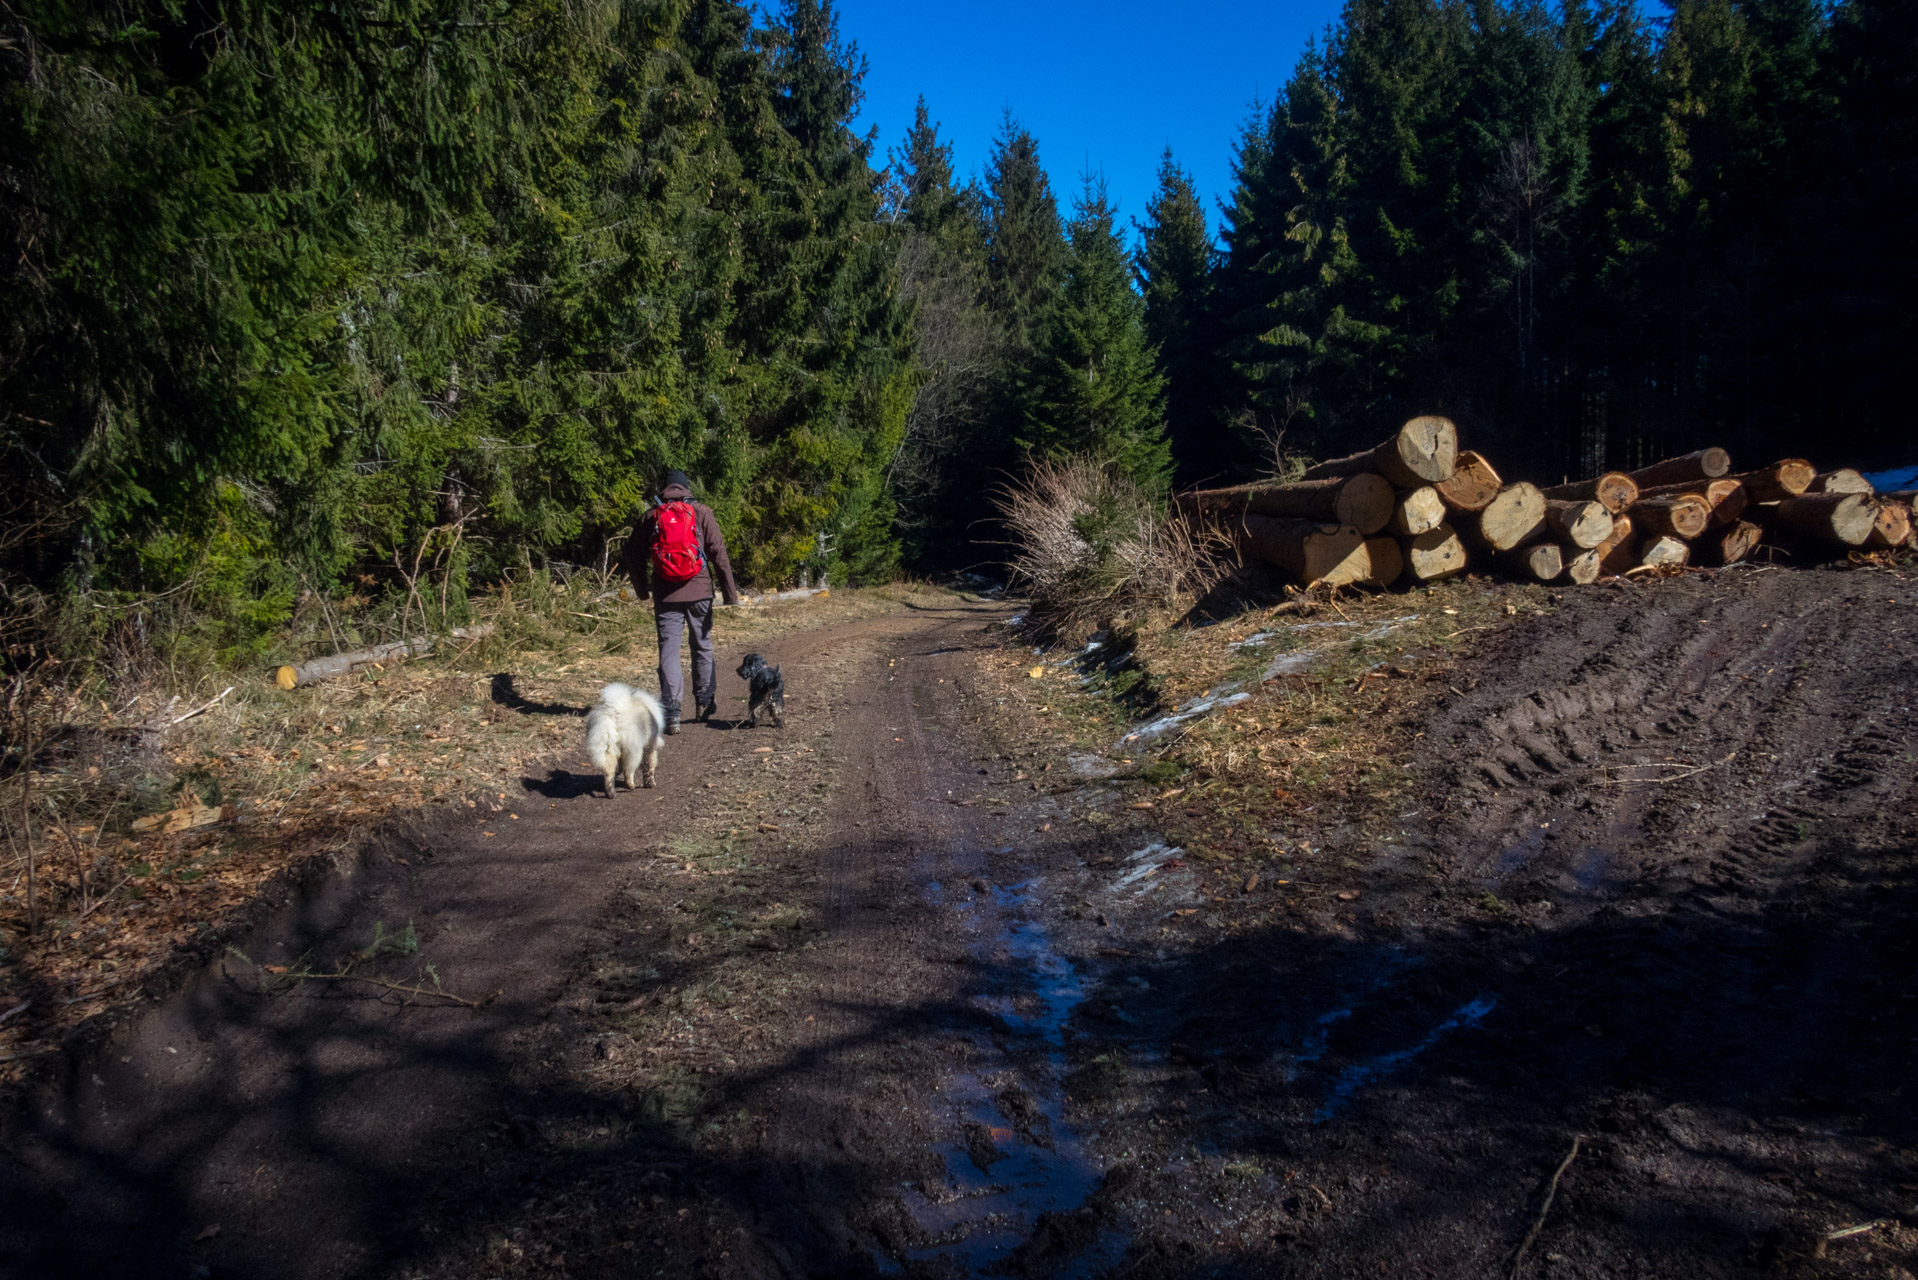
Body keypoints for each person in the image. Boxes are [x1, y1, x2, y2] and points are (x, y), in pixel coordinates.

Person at [621, 470, 740, 733]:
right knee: (702, 645)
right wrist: (730, 594)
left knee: (669, 651)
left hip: (665, 593)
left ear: (664, 489)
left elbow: (633, 554)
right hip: (699, 590)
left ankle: (671, 712)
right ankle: (704, 702)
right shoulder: (701, 512)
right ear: (687, 488)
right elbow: (718, 553)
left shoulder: (651, 516)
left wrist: (642, 589)